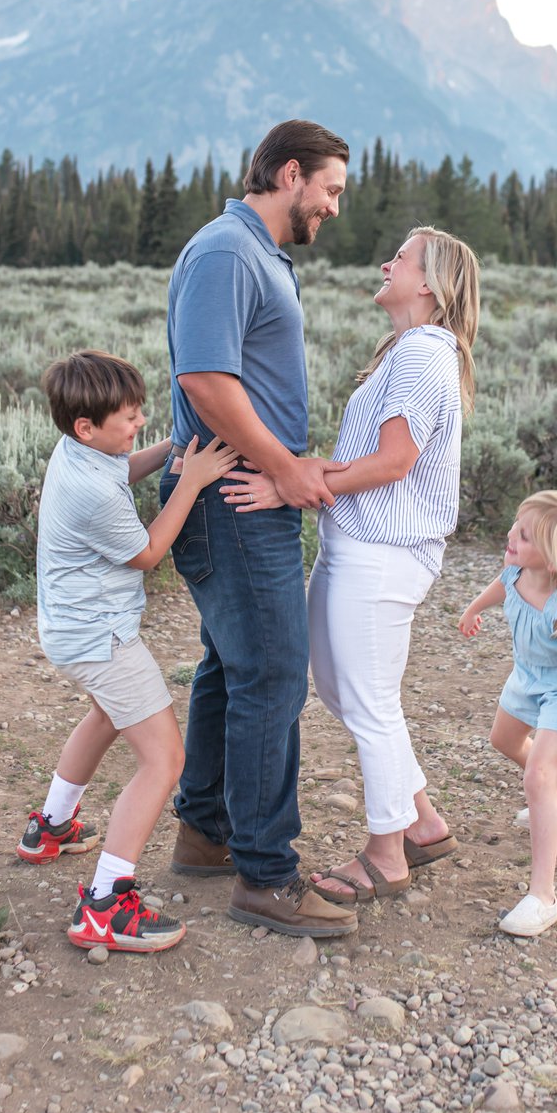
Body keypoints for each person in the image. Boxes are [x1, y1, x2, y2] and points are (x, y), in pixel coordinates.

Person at [224, 227, 480, 906]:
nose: (385, 262)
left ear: (427, 283)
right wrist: (303, 474)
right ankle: (422, 821)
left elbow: (396, 463)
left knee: (367, 701)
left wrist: (292, 483)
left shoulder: (426, 353)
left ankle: (387, 854)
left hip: (384, 553)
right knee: (344, 692)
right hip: (357, 545)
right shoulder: (408, 350)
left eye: (399, 257)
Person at [160, 120, 358, 939]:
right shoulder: (226, 252)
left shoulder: (254, 253)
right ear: (289, 174)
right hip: (237, 499)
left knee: (229, 665)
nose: (334, 209)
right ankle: (266, 876)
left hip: (240, 493)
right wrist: (282, 467)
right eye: (331, 189)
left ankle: (207, 832)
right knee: (274, 673)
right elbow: (204, 379)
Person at [16, 349, 236, 954]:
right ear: (87, 426)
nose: (138, 423)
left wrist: (169, 450)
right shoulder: (92, 491)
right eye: (129, 418)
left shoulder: (82, 450)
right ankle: (107, 904)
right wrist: (191, 481)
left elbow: (124, 469)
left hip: (71, 627)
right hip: (101, 637)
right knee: (165, 760)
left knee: (108, 714)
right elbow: (146, 552)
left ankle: (51, 827)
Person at [458, 491, 557, 937]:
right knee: (502, 741)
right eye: (514, 525)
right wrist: (473, 608)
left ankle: (543, 897)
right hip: (529, 675)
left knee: (537, 777)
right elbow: (503, 585)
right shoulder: (519, 568)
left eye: (523, 535)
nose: (510, 536)